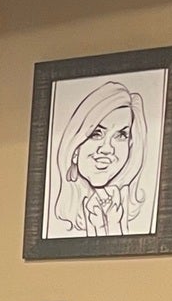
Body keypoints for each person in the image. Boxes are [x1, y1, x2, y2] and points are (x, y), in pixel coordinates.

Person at [46, 78, 150, 237]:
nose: (107, 149)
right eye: (96, 134)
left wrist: (115, 228)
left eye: (121, 135)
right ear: (75, 147)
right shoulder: (61, 220)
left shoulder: (121, 210)